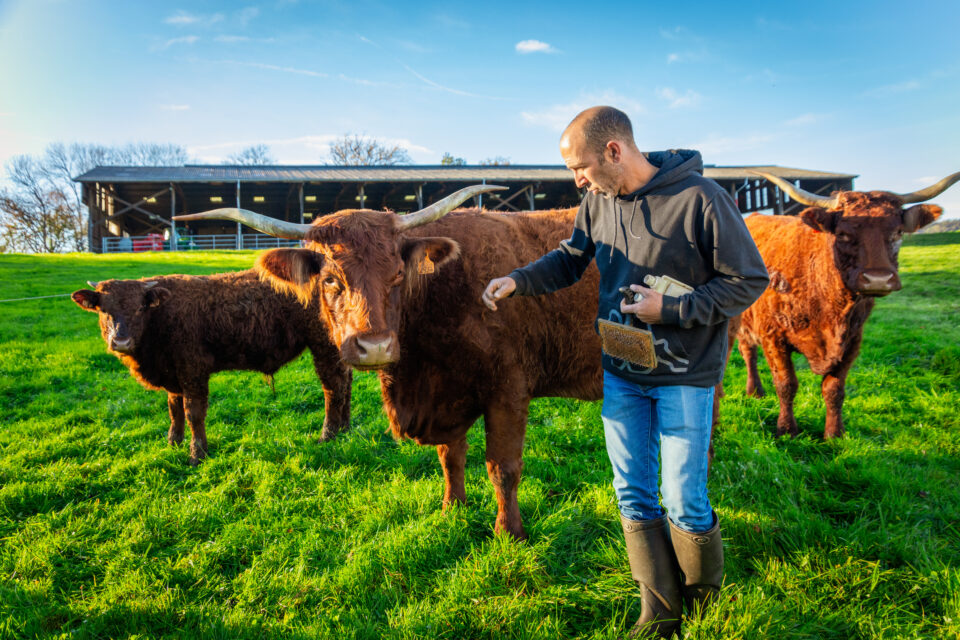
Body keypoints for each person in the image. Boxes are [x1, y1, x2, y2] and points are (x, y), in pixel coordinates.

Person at [482, 106, 768, 638]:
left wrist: (674, 311)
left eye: (581, 167)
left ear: (615, 151)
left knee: (685, 498)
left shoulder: (701, 200)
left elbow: (749, 279)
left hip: (685, 372)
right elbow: (570, 259)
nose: (578, 180)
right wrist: (517, 280)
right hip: (622, 368)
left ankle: (702, 603)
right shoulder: (597, 202)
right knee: (632, 491)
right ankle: (658, 611)